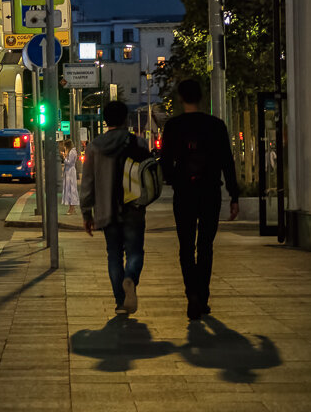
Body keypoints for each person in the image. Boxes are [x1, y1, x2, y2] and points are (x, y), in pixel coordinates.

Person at [160, 78, 240, 320]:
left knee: (186, 246)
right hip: (210, 192)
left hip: (184, 193)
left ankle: (191, 295)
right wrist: (234, 196)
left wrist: (175, 180)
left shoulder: (173, 126)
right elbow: (227, 162)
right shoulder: (216, 125)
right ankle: (202, 296)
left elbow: (164, 162)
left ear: (182, 98)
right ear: (201, 96)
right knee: (206, 245)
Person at [80, 101, 152, 316]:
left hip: (106, 209)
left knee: (113, 254)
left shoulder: (94, 146)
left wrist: (86, 213)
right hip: (134, 208)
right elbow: (149, 176)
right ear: (125, 119)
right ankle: (130, 278)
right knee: (135, 251)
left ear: (105, 120)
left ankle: (120, 302)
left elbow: (88, 183)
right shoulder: (138, 143)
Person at [62, 140, 80, 215]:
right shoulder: (71, 151)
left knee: (71, 189)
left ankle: (72, 208)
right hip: (68, 172)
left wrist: (64, 158)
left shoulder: (72, 152)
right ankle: (72, 208)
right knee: (69, 188)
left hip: (70, 172)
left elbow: (70, 162)